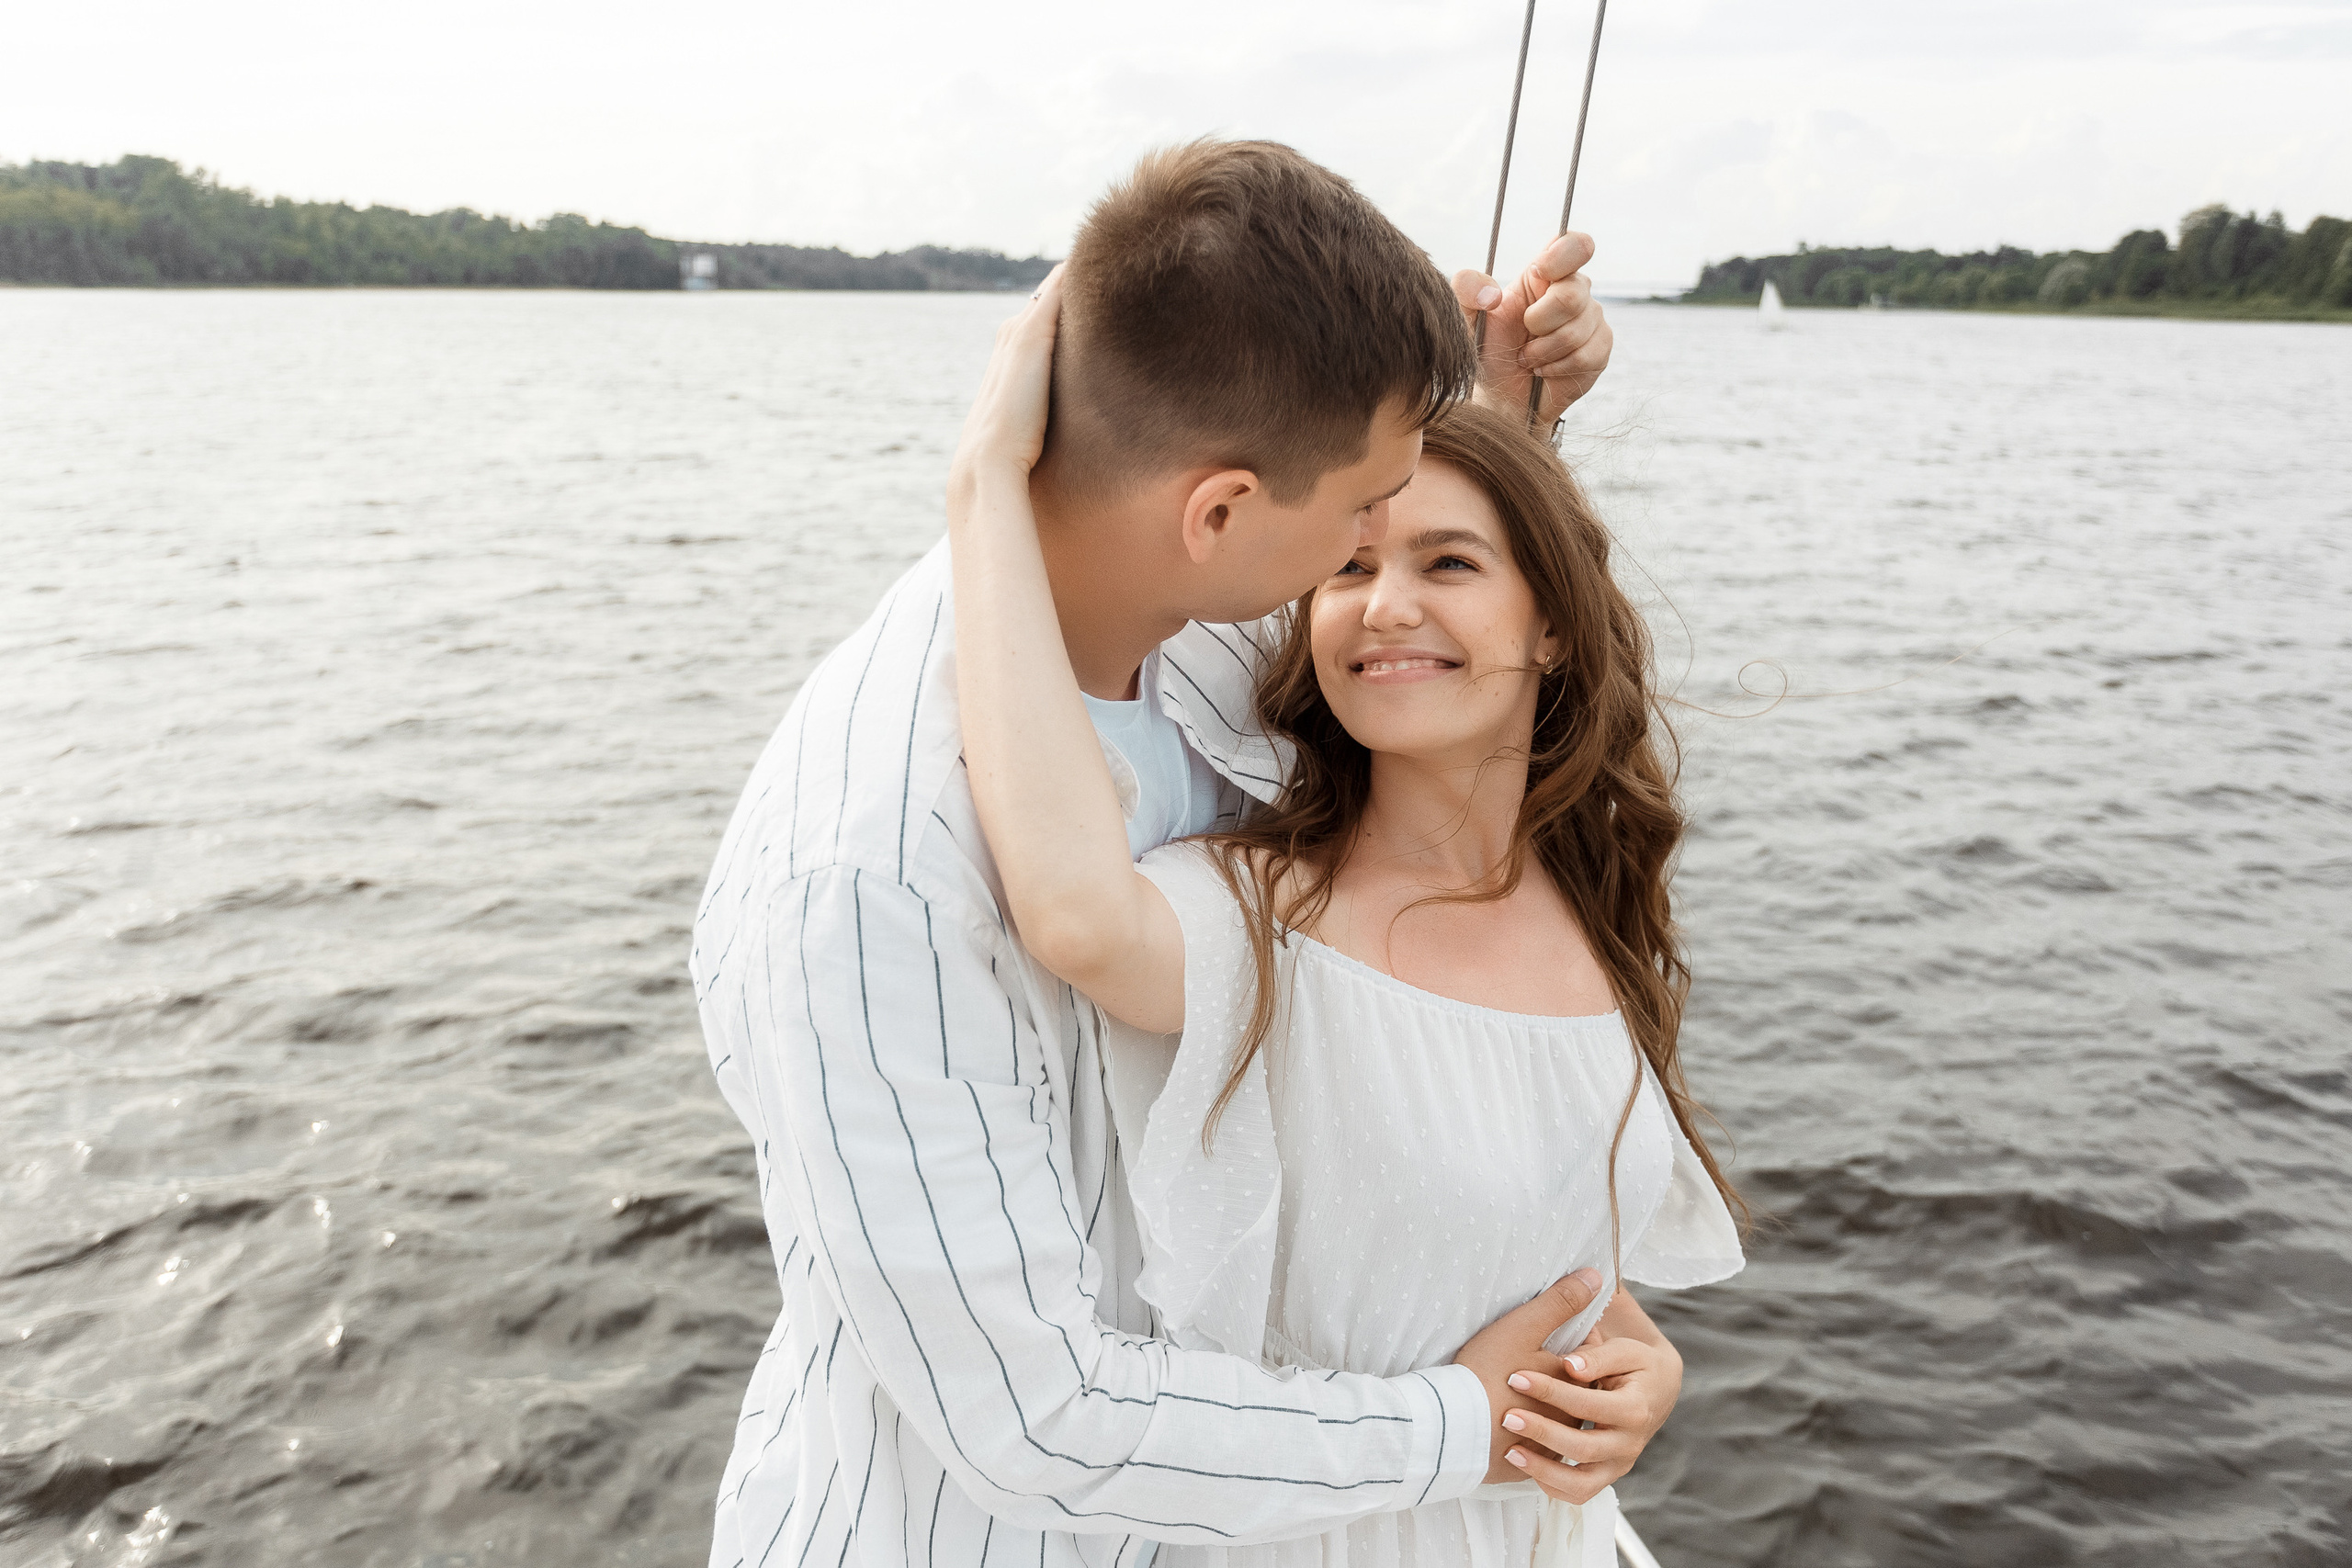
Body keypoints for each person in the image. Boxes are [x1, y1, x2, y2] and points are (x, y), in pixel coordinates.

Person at [691, 139, 1621, 1568]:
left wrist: (1507, 412)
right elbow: (1037, 1420)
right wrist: (1463, 1426)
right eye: (1364, 508)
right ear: (1222, 514)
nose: (1376, 545)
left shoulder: (1192, 640)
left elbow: (1434, 655)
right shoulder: (870, 871)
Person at [950, 267, 1746, 1565]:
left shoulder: (1586, 899)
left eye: (1447, 563)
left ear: (1552, 629)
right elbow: (1080, 918)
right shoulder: (1265, 917)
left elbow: (1543, 1255)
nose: (1384, 606)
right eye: (1352, 567)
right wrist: (987, 485)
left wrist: (1635, 1367)